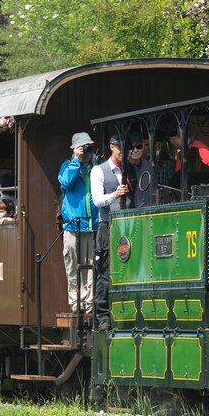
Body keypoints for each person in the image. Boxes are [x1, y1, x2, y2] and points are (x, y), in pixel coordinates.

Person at [91, 136, 130, 330]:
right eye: (121, 148)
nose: (125, 152)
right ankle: (103, 317)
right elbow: (97, 200)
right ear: (112, 147)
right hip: (107, 224)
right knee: (105, 272)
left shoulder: (131, 169)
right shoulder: (99, 170)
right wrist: (115, 194)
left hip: (129, 224)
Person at [58, 132, 98, 314]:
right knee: (73, 264)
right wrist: (76, 160)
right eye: (82, 147)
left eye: (87, 147)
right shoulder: (67, 166)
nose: (85, 151)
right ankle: (76, 303)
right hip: (72, 225)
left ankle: (90, 303)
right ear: (74, 149)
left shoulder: (96, 166)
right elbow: (66, 183)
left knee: (91, 264)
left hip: (92, 224)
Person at [124, 135, 153, 208]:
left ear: (143, 146)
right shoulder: (122, 168)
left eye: (139, 146)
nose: (136, 150)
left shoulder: (148, 166)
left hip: (147, 211)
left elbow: (153, 188)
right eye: (131, 147)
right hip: (128, 213)